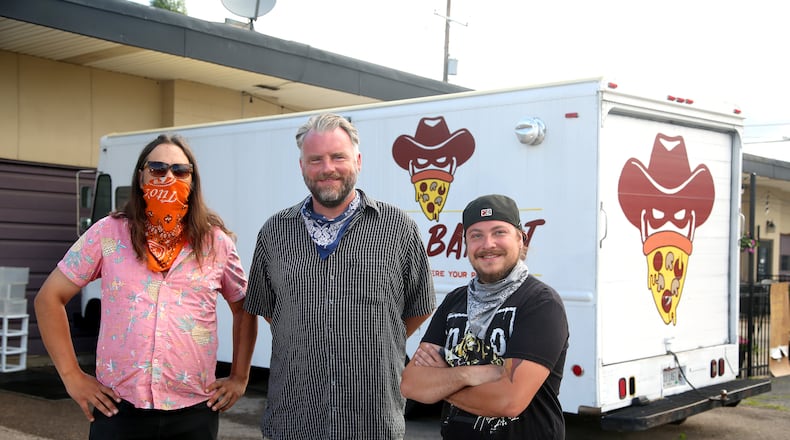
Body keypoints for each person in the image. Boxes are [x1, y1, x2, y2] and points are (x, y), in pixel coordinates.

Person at [34, 134, 258, 440]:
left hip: (194, 412)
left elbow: (245, 307)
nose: (168, 177)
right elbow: (49, 299)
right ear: (141, 177)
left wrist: (239, 377)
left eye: (180, 171)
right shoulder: (108, 234)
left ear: (192, 182)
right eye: (157, 168)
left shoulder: (215, 243)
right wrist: (72, 376)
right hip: (119, 410)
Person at [243, 113, 436, 440]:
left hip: (372, 421)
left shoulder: (398, 229)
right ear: (302, 166)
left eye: (338, 157)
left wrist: (375, 335)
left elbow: (419, 306)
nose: (327, 168)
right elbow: (267, 307)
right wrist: (308, 329)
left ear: (358, 161)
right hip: (294, 420)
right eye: (315, 159)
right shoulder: (274, 232)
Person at [401, 194, 569, 439]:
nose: (488, 244)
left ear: (521, 239)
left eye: (499, 232)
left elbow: (509, 400)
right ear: (466, 243)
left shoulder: (540, 303)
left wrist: (439, 384)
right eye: (476, 235)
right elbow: (411, 384)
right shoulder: (454, 301)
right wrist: (468, 374)